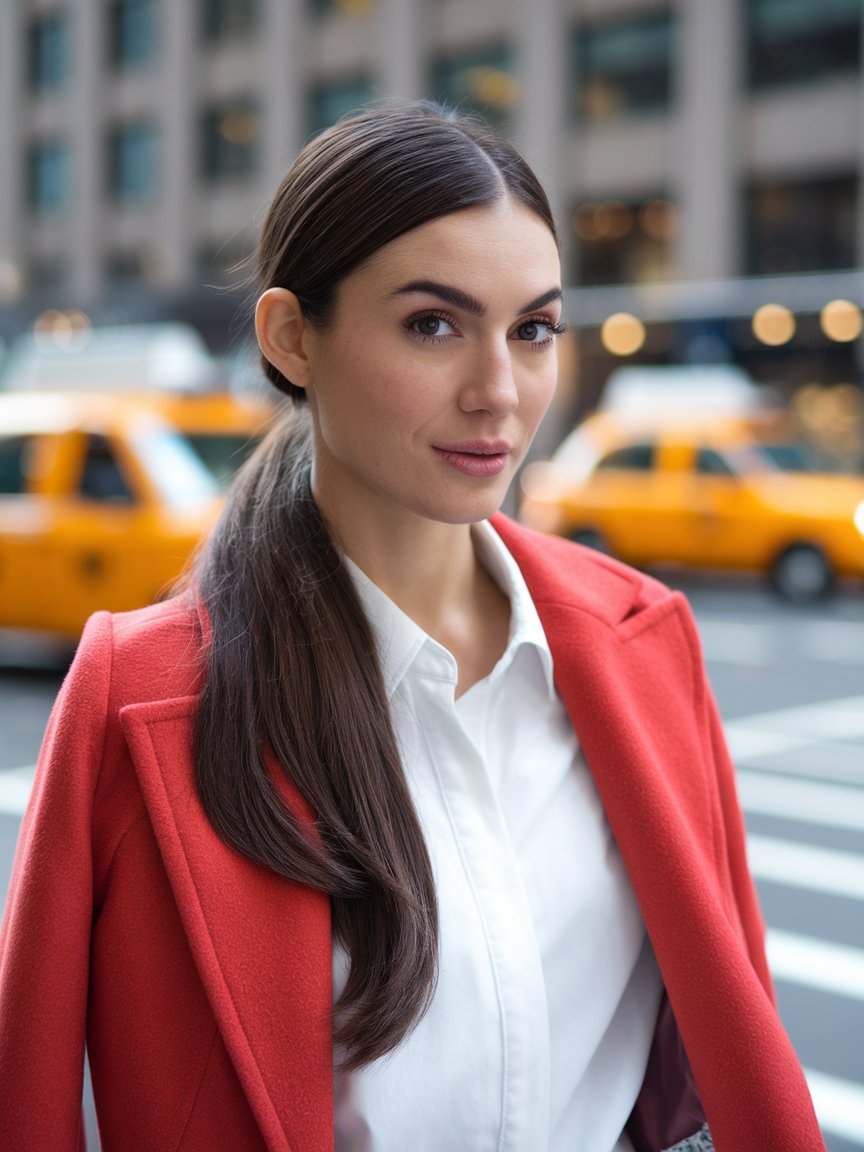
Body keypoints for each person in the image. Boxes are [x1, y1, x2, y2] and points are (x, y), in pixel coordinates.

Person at [0, 102, 824, 1152]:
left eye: (532, 330)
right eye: (433, 324)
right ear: (294, 338)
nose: (500, 393)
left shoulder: (646, 638)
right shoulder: (137, 694)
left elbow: (728, 1046)